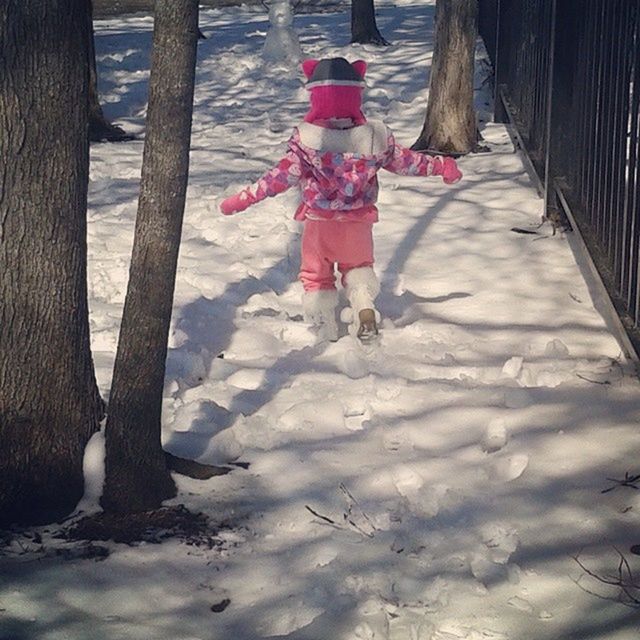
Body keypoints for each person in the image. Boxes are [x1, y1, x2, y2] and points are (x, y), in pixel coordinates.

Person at [220, 57, 462, 342]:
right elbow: (406, 162)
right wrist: (440, 166)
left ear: (315, 95)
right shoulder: (374, 139)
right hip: (358, 224)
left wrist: (244, 198)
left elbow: (279, 177)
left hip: (320, 225)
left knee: (317, 275)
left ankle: (326, 326)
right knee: (358, 269)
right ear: (356, 93)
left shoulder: (309, 141)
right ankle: (363, 305)